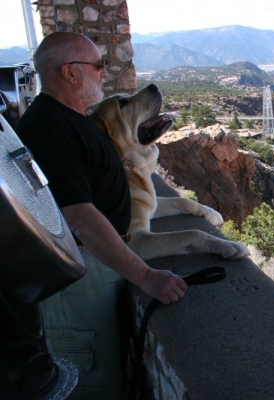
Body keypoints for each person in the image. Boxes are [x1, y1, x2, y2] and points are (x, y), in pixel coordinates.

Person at [16, 32, 188, 399]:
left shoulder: (70, 118)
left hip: (95, 268)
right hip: (78, 280)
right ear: (70, 73)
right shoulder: (49, 128)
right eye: (97, 66)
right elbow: (78, 215)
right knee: (94, 382)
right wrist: (144, 274)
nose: (104, 75)